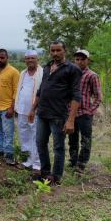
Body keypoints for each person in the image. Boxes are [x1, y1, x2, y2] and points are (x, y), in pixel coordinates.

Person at [29, 41, 82, 184]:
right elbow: (41, 90)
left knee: (58, 147)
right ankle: (45, 173)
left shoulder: (72, 69)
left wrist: (70, 120)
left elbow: (76, 95)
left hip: (58, 115)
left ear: (65, 51)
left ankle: (56, 177)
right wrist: (33, 109)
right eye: (52, 50)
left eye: (58, 50)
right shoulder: (47, 67)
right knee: (40, 143)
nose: (55, 53)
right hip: (42, 113)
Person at [69, 49, 102, 173]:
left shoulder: (92, 75)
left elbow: (98, 97)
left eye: (82, 59)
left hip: (84, 114)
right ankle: (73, 161)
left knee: (85, 140)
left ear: (88, 60)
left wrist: (90, 111)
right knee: (72, 139)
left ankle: (81, 164)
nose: (79, 61)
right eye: (77, 59)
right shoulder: (71, 74)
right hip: (71, 113)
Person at [14, 50, 43, 172]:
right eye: (27, 58)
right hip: (21, 109)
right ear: (24, 60)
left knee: (36, 136)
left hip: (35, 110)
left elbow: (41, 92)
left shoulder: (42, 73)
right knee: (23, 135)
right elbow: (20, 89)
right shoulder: (23, 73)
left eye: (32, 58)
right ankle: (27, 160)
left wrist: (34, 108)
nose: (30, 60)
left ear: (37, 59)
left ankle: (36, 163)